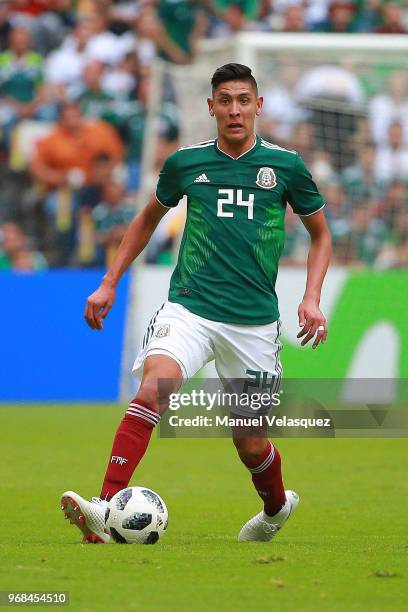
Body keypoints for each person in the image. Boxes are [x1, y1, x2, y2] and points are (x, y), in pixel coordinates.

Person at [60, 63, 331, 544]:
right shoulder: (186, 163)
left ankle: (274, 508)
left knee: (249, 445)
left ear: (258, 106)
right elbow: (146, 220)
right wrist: (109, 282)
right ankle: (102, 511)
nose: (234, 109)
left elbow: (321, 235)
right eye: (224, 100)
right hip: (190, 308)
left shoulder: (286, 167)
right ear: (210, 107)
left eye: (243, 100)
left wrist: (311, 297)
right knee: (152, 392)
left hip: (253, 326)